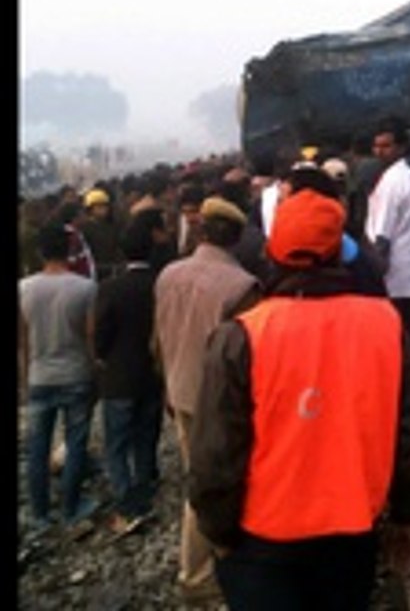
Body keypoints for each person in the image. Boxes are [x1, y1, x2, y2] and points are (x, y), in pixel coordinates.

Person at [187, 188, 410, 610]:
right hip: (352, 534)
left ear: (271, 252)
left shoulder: (241, 335)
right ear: (340, 252)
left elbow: (217, 452)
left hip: (261, 539)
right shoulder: (386, 324)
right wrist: (406, 515)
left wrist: (218, 531)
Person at [154, 195, 263, 603]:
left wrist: (166, 385)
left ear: (201, 232)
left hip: (179, 389)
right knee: (213, 483)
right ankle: (199, 573)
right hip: (220, 402)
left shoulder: (168, 275)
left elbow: (159, 337)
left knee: (196, 475)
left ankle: (201, 566)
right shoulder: (242, 287)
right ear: (236, 239)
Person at [19, 222, 101, 534]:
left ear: (40, 251)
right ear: (69, 250)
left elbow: (23, 339)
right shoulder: (85, 288)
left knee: (37, 449)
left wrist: (26, 374)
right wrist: (94, 369)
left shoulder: (23, 288)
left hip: (39, 375)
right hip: (76, 373)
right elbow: (90, 336)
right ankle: (71, 506)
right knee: (76, 442)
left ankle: (40, 513)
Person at [92, 212, 165, 535]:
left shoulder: (111, 288)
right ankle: (146, 482)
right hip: (151, 373)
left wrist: (101, 356)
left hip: (119, 376)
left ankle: (125, 497)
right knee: (147, 433)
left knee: (117, 441)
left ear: (123, 253)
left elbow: (102, 332)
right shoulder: (161, 284)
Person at [365, 124, 410, 368]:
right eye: (377, 146)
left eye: (387, 146)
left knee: (398, 348)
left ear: (401, 147)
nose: (379, 151)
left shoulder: (392, 183)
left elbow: (381, 238)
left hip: (397, 280)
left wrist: (371, 276)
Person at [80, 187, 125, 281]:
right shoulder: (85, 228)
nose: (103, 210)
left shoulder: (113, 226)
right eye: (99, 207)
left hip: (114, 268)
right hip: (96, 271)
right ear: (90, 209)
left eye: (105, 206)